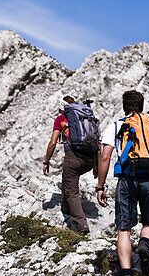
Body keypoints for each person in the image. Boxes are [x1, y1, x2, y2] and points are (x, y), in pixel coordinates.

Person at [96, 90, 149, 276]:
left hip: (127, 180)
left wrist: (100, 186)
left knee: (124, 229)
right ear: (141, 105)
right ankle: (145, 245)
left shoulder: (117, 125)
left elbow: (105, 157)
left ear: (124, 106)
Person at [43, 95, 106, 234]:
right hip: (90, 158)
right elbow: (98, 142)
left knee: (72, 191)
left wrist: (46, 161)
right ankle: (65, 209)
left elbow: (53, 142)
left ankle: (81, 224)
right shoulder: (87, 117)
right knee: (67, 179)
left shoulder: (61, 119)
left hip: (74, 157)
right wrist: (96, 165)